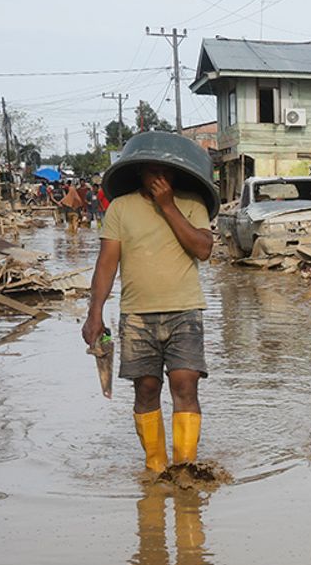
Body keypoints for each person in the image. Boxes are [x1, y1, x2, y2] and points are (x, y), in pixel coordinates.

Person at [81, 132, 217, 474]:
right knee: (146, 389)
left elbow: (203, 248)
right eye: (151, 169)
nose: (159, 176)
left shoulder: (191, 204)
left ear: (177, 173)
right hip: (137, 316)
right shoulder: (121, 209)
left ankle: (185, 467)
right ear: (138, 171)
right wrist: (94, 314)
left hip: (184, 310)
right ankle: (156, 468)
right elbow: (106, 264)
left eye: (166, 170)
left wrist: (168, 206)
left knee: (185, 384)